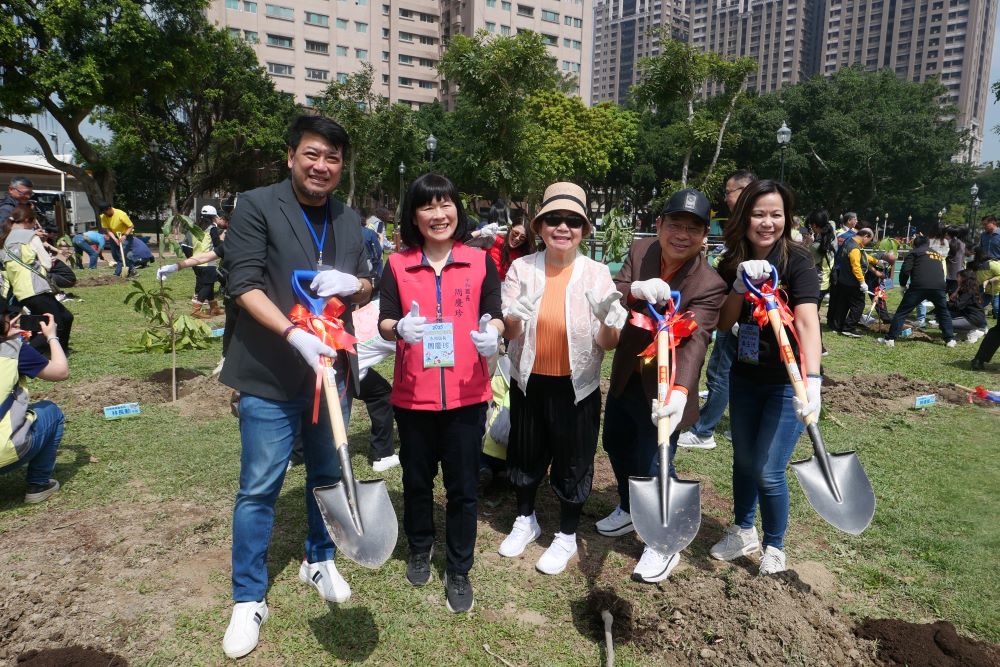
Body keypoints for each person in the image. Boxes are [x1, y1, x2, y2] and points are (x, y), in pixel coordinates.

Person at [218, 115, 374, 659]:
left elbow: (367, 278)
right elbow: (243, 283)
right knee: (260, 484)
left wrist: (355, 285)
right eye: (312, 155)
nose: (322, 166)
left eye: (332, 158)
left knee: (328, 474)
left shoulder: (349, 219)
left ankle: (318, 558)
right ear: (291, 156)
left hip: (331, 371)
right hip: (270, 372)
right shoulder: (257, 206)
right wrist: (291, 332)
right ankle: (248, 598)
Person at [378, 172, 503, 614]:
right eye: (428, 206)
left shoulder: (479, 260)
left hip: (468, 396)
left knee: (464, 488)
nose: (438, 214)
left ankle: (459, 567)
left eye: (445, 204)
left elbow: (495, 311)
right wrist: (399, 330)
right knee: (416, 481)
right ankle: (419, 546)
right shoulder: (396, 264)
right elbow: (385, 319)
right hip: (413, 398)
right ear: (414, 214)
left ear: (457, 210)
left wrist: (496, 332)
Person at [597, 188, 725, 582]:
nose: (681, 235)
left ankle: (662, 542)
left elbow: (697, 340)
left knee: (657, 462)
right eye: (675, 225)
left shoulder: (709, 284)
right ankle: (627, 506)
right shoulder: (641, 254)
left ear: (705, 236)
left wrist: (681, 392)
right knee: (616, 443)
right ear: (659, 225)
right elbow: (615, 291)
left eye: (693, 228)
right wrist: (633, 290)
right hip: (627, 375)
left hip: (666, 388)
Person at [498, 181, 625, 576]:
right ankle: (526, 517)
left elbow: (607, 342)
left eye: (573, 220)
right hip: (530, 382)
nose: (563, 227)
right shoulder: (522, 268)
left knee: (574, 460)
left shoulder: (598, 273)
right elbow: (512, 334)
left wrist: (609, 321)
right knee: (526, 453)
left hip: (577, 387)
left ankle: (567, 534)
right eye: (554, 219)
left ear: (584, 229)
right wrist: (513, 317)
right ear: (540, 226)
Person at [710, 179, 822, 576]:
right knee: (743, 461)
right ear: (745, 217)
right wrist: (739, 285)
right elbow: (724, 324)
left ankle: (775, 545)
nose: (767, 222)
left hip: (786, 383)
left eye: (776, 214)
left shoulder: (799, 261)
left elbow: (808, 322)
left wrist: (813, 381)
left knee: (768, 469)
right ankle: (743, 528)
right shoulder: (729, 262)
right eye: (758, 214)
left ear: (786, 218)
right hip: (746, 376)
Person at [677, 168, 755, 450]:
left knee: (723, 371)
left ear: (744, 191)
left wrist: (738, 313)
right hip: (735, 312)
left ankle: (704, 430)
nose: (726, 198)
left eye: (728, 192)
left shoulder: (750, 226)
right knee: (731, 371)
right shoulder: (741, 224)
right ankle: (742, 426)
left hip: (742, 315)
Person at [0, 304, 69, 504]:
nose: (14, 318)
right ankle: (38, 485)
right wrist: (51, 336)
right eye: (8, 315)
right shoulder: (14, 350)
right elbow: (61, 372)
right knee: (51, 412)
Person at [1, 206, 74, 352]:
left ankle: (61, 349)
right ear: (29, 220)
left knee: (66, 316)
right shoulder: (31, 237)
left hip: (21, 290)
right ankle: (27, 355)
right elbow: (47, 264)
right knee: (55, 323)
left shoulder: (7, 239)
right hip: (36, 288)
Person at [877, 235, 956, 348]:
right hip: (939, 287)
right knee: (943, 312)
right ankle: (950, 340)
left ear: (914, 244)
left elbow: (905, 270)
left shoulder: (914, 253)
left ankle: (890, 339)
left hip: (919, 286)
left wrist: (903, 285)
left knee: (902, 312)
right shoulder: (937, 254)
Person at [827, 226, 874, 337]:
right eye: (869, 240)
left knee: (843, 304)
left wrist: (876, 261)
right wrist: (862, 282)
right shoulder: (855, 248)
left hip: (843, 280)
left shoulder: (849, 241)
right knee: (858, 305)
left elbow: (863, 256)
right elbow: (856, 267)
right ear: (865, 236)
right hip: (853, 283)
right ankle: (849, 327)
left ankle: (838, 326)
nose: (868, 243)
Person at [189, 205, 225, 318]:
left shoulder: (196, 227)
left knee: (209, 284)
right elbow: (217, 245)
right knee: (208, 286)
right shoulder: (212, 228)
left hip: (196, 261)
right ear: (213, 216)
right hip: (207, 262)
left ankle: (214, 308)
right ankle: (196, 310)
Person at [947, 269, 987, 342]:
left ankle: (972, 332)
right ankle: (963, 334)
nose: (957, 279)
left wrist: (947, 303)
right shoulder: (969, 289)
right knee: (943, 318)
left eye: (958, 277)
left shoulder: (968, 292)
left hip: (973, 320)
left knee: (943, 323)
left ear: (964, 279)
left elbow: (956, 306)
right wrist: (956, 291)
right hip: (974, 318)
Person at [98, 202, 137, 277]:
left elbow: (131, 226)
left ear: (109, 208)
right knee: (115, 254)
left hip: (126, 235)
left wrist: (124, 236)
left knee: (123, 254)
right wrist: (114, 239)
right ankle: (133, 270)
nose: (104, 214)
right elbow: (108, 229)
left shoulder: (121, 214)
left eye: (105, 211)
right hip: (114, 235)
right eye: (102, 212)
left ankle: (117, 273)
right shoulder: (103, 216)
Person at [979, 215, 1000, 318]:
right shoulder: (983, 235)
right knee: (983, 288)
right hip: (985, 265)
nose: (984, 227)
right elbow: (981, 249)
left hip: (998, 266)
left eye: (985, 224)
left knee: (996, 290)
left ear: (993, 223)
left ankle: (996, 310)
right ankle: (980, 310)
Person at [945, 226, 969, 294]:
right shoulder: (962, 244)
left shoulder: (947, 243)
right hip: (958, 274)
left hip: (947, 274)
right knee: (953, 296)